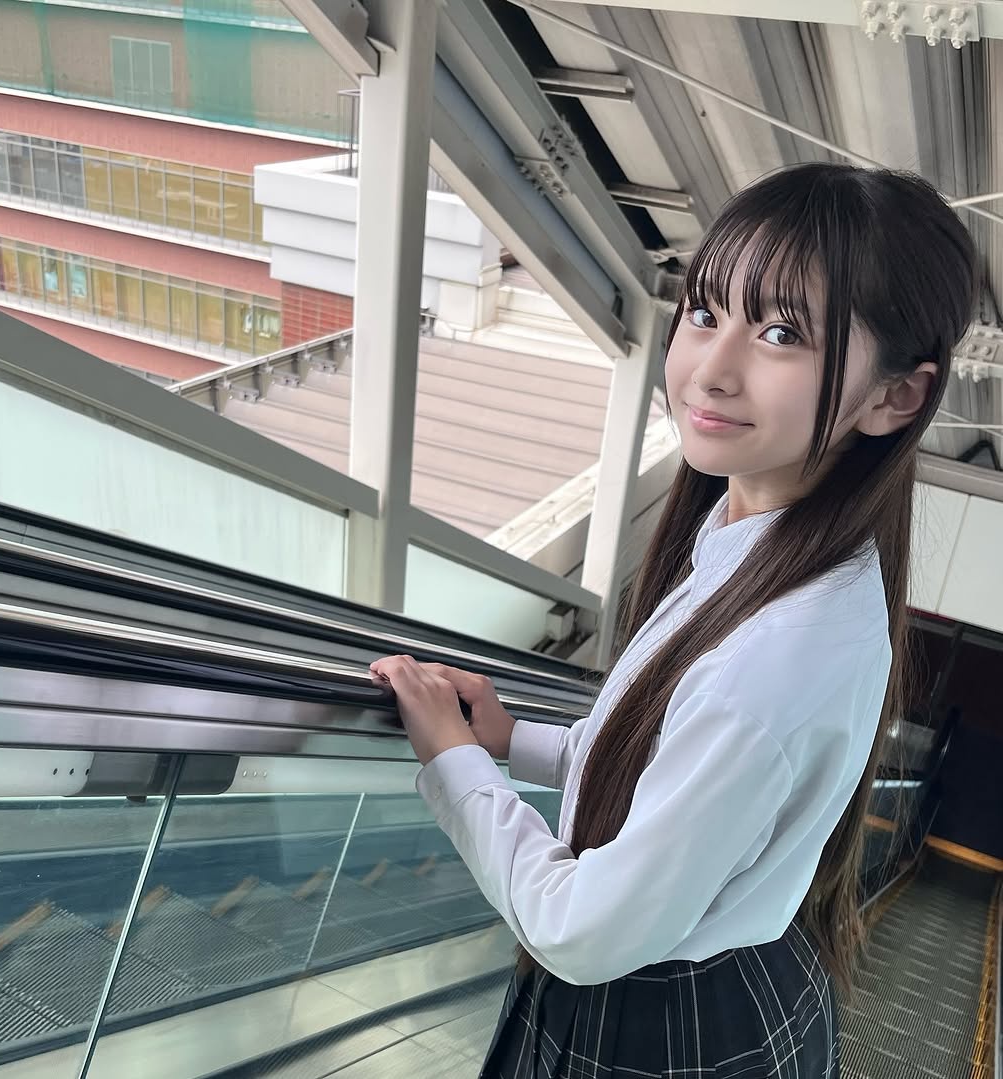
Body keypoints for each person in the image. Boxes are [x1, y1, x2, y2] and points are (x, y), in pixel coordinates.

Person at [370, 162, 977, 1078]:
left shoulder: (778, 651)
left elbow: (581, 930)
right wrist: (514, 740)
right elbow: (667, 766)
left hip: (658, 1021)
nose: (711, 370)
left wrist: (455, 764)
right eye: (704, 311)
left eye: (781, 333)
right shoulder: (757, 538)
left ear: (895, 397)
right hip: (718, 984)